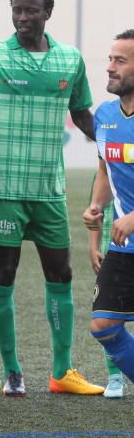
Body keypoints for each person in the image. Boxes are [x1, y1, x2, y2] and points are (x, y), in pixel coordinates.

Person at [0, 0, 103, 397]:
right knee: (3, 274)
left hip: (49, 191)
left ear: (47, 12)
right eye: (17, 9)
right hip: (4, 188)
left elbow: (82, 116)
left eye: (31, 10)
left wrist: (116, 141)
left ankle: (61, 371)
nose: (23, 17)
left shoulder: (70, 60)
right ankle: (12, 371)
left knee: (61, 273)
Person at [84, 29, 134, 397]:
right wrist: (96, 208)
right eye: (111, 59)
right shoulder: (104, 114)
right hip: (124, 244)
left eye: (121, 60)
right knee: (104, 325)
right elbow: (105, 170)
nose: (111, 68)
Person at [86, 192, 126, 399]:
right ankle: (114, 376)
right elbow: (95, 211)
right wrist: (94, 247)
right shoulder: (107, 170)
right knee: (108, 319)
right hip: (112, 255)